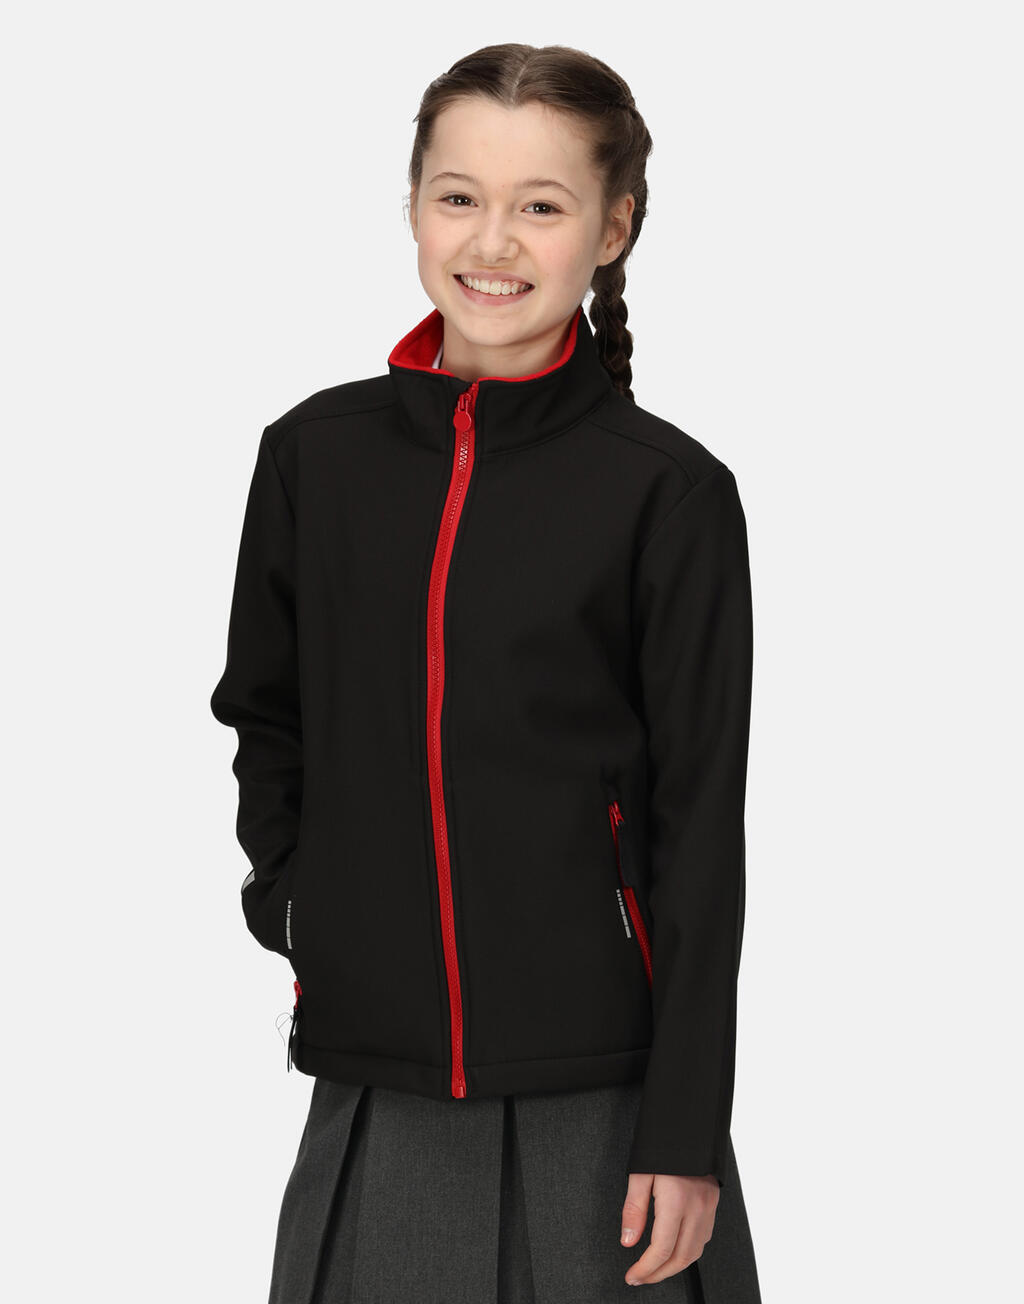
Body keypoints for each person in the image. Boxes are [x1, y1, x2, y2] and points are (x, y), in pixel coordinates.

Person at [210, 41, 762, 1304]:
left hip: (605, 1097)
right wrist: (298, 908)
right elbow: (265, 714)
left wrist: (684, 1127)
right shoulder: (312, 458)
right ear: (412, 204)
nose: (493, 240)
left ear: (612, 229)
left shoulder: (668, 495)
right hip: (375, 1077)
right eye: (458, 195)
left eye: (542, 205)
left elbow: (701, 830)